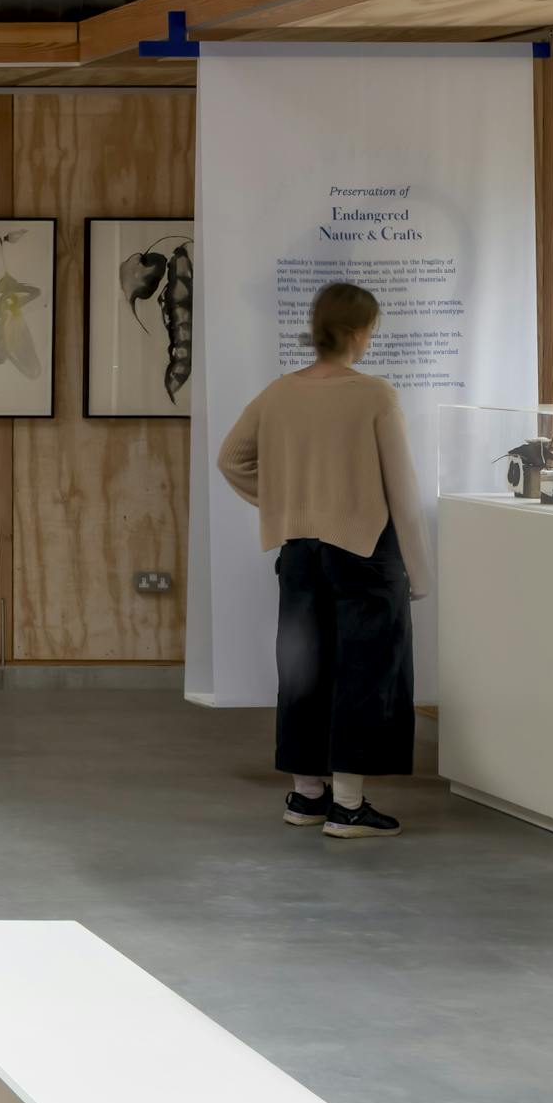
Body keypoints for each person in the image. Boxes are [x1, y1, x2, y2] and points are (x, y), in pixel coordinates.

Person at [215, 279, 426, 841]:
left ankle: (307, 796)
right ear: (358, 332)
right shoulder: (374, 395)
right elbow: (402, 490)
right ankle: (349, 806)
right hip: (365, 552)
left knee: (303, 668)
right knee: (367, 670)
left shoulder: (279, 392)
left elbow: (231, 459)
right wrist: (420, 570)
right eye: (371, 330)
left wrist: (285, 502)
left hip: (300, 552)